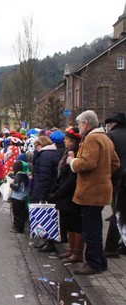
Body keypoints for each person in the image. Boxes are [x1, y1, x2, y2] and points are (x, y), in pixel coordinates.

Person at [66, 110, 120, 275]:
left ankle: (93, 263)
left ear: (86, 124)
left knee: (90, 230)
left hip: (90, 191)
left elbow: (87, 163)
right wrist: (103, 174)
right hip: (101, 189)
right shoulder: (105, 137)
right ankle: (100, 262)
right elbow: (116, 163)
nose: (79, 127)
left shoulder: (91, 138)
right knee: (95, 227)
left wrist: (72, 161)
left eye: (80, 124)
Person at [48, 127, 83, 263]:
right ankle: (71, 249)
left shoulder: (74, 154)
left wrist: (58, 192)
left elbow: (71, 179)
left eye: (67, 139)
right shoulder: (68, 152)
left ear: (73, 141)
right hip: (65, 192)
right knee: (69, 223)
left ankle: (77, 252)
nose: (65, 141)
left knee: (75, 223)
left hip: (70, 194)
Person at [30, 135, 61, 252]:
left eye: (36, 145)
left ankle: (49, 241)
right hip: (50, 187)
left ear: (41, 144)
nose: (35, 148)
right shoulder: (52, 153)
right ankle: (48, 241)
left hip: (43, 188)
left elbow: (44, 176)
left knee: (46, 215)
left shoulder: (44, 156)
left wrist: (42, 194)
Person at [103, 113, 126, 257]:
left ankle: (111, 247)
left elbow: (109, 160)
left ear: (113, 124)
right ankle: (124, 244)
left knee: (118, 212)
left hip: (119, 179)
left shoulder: (111, 136)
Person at [8, 160, 30, 233]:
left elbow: (16, 187)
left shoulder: (18, 177)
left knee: (17, 213)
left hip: (17, 197)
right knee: (21, 213)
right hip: (23, 197)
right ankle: (19, 227)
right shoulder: (25, 175)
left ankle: (18, 228)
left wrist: (11, 185)